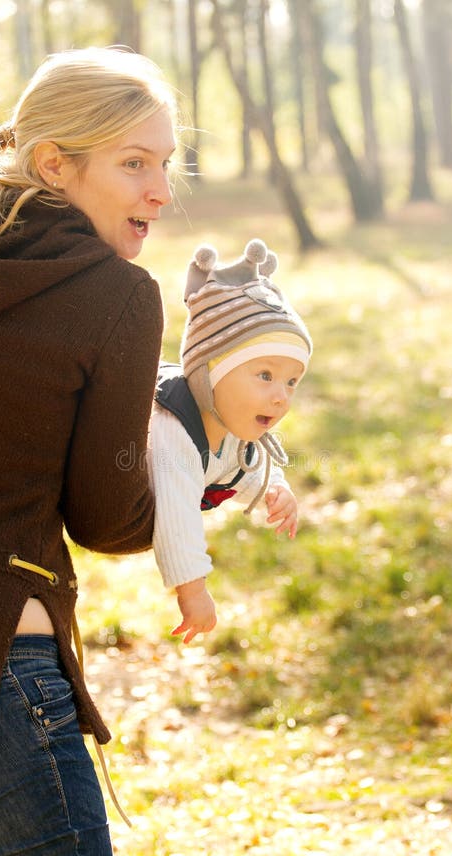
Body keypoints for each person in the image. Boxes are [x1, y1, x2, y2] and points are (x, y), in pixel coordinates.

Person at [0, 47, 177, 856]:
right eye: (134, 162)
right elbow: (110, 521)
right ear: (52, 165)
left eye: (167, 165)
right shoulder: (116, 294)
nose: (160, 191)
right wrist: (189, 456)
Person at [150, 239, 313, 644]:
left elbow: (245, 467)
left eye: (292, 381)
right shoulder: (173, 425)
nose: (281, 395)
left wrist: (276, 489)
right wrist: (193, 590)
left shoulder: (231, 428)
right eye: (265, 375)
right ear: (209, 372)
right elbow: (175, 511)